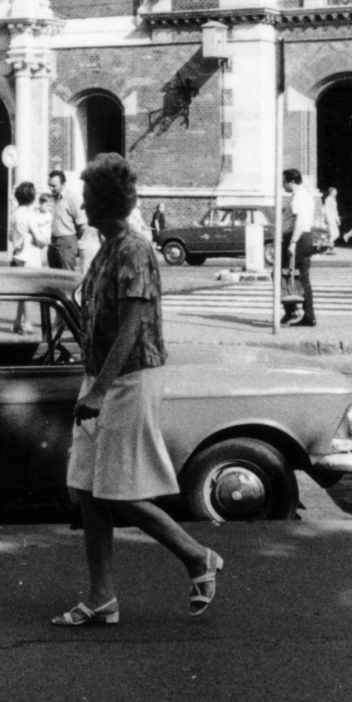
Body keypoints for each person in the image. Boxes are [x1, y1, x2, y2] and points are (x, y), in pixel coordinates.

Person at [52, 153, 222, 628]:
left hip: (129, 378)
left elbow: (131, 327)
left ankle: (197, 557)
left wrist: (98, 391)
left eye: (87, 197)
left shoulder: (133, 248)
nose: (81, 203)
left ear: (103, 201)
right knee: (86, 489)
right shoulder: (106, 247)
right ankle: (102, 598)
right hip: (101, 376)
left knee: (115, 492)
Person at [281, 167, 316, 326]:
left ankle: (292, 311)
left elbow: (300, 220)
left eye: (284, 181)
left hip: (297, 238)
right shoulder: (306, 195)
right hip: (305, 238)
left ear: (292, 182)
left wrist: (293, 243)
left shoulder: (298, 197)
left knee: (282, 274)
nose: (282, 185)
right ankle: (308, 315)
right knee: (302, 278)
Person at [47, 169, 85, 271]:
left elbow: (82, 224)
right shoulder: (52, 199)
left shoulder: (71, 198)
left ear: (63, 184)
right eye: (49, 185)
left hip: (67, 242)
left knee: (66, 275)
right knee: (53, 276)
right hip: (53, 241)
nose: (51, 189)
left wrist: (74, 244)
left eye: (54, 186)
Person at [9, 181, 50, 268]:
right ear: (32, 199)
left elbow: (10, 237)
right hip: (29, 258)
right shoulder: (29, 215)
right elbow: (39, 239)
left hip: (16, 256)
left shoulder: (14, 214)